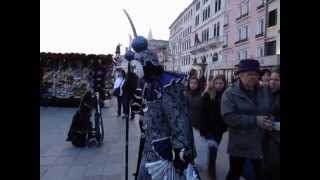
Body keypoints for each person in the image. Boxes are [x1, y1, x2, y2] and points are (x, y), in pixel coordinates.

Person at [125, 36, 197, 180]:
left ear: (146, 65)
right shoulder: (148, 84)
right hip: (151, 146)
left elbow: (179, 119)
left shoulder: (167, 86)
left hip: (165, 150)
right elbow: (145, 111)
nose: (134, 71)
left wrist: (181, 151)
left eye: (135, 67)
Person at [221, 59, 273, 180]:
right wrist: (255, 120)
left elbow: (269, 109)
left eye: (255, 74)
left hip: (259, 142)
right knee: (234, 173)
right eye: (249, 74)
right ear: (240, 75)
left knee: (260, 174)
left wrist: (269, 119)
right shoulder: (230, 93)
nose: (253, 77)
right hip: (240, 144)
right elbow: (228, 117)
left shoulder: (264, 90)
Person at [199, 75, 228, 180]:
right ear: (213, 84)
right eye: (217, 83)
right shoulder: (207, 95)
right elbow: (202, 113)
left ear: (224, 84)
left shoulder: (227, 95)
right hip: (209, 129)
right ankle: (211, 172)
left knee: (213, 149)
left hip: (219, 129)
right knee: (213, 151)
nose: (219, 85)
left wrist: (226, 126)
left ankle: (210, 166)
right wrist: (203, 130)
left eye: (221, 83)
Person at [262, 67, 280, 180]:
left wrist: (274, 124)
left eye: (276, 80)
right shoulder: (266, 92)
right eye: (270, 79)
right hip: (266, 137)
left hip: (276, 139)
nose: (272, 82)